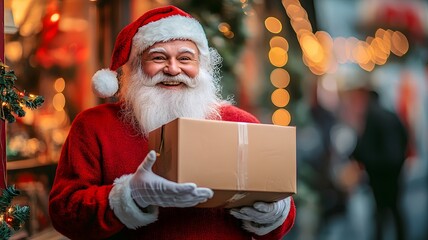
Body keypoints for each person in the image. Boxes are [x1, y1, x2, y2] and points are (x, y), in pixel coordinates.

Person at [48, 5, 296, 240]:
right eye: (158, 57)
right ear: (135, 66)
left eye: (186, 58)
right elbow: (64, 212)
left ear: (202, 66)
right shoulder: (94, 126)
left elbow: (280, 223)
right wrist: (130, 194)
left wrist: (274, 212)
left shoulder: (241, 124)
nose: (173, 69)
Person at [338, 74, 407, 240]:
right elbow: (404, 136)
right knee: (394, 209)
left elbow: (365, 146)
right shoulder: (389, 113)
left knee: (381, 211)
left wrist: (355, 158)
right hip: (394, 171)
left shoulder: (372, 116)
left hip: (382, 173)